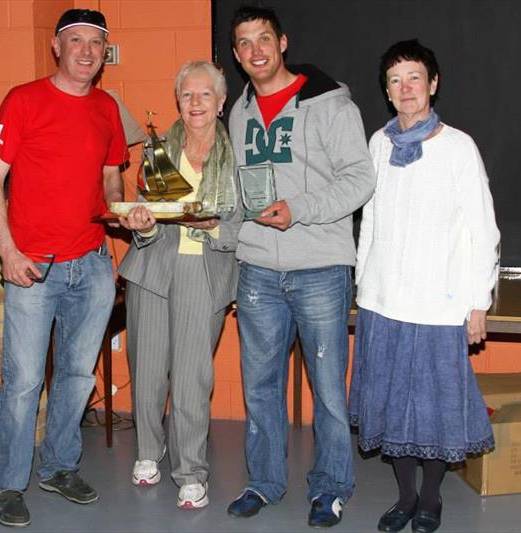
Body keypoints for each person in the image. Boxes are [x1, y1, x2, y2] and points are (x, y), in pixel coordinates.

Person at [225, 6, 376, 529]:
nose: (255, 51)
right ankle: (264, 482)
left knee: (329, 389)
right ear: (237, 54)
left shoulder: (329, 104)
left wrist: (300, 211)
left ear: (282, 42)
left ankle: (331, 488)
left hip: (320, 267)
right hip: (259, 269)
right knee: (260, 386)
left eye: (263, 38)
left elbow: (360, 179)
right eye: (243, 43)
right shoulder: (239, 112)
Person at [0, 9, 127, 528]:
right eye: (76, 41)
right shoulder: (23, 100)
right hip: (32, 269)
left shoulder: (108, 108)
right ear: (57, 48)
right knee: (22, 383)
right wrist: (8, 253)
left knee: (74, 376)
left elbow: (111, 180)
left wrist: (122, 209)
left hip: (90, 267)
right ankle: (9, 483)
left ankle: (59, 466)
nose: (87, 51)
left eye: (96, 43)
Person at [348, 39, 500, 533]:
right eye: (395, 80)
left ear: (433, 84)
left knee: (433, 409)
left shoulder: (458, 146)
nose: (405, 88)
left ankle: (431, 498)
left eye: (414, 77)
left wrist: (479, 303)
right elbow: (368, 221)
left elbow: (483, 230)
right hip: (383, 302)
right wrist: (362, 284)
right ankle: (405, 497)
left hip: (438, 306)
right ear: (387, 92)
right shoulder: (377, 143)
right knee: (392, 406)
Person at [117, 60, 241, 511]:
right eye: (187, 95)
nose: (195, 103)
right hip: (153, 269)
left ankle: (191, 472)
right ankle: (149, 452)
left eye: (205, 94)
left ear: (221, 102)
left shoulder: (237, 156)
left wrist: (214, 227)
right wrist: (142, 225)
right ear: (178, 102)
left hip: (203, 273)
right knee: (147, 370)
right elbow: (145, 225)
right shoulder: (158, 152)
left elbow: (244, 221)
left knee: (191, 379)